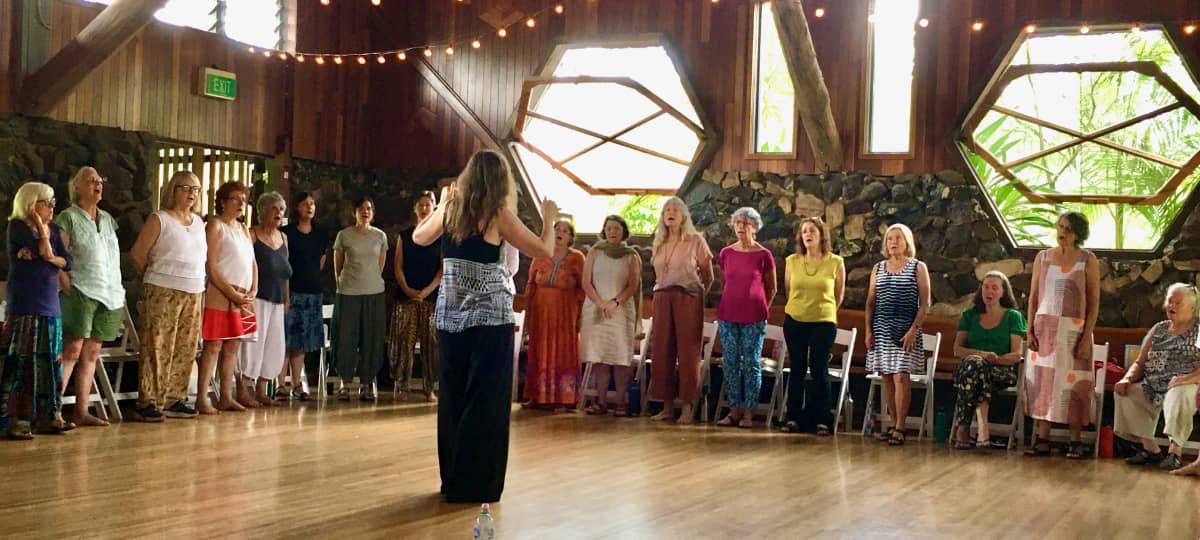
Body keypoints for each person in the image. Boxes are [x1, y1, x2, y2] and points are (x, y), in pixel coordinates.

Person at [413, 149, 559, 504]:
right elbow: (543, 249)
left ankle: (453, 480)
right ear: (500, 181)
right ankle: (476, 484)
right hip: (490, 321)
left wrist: (440, 205)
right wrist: (549, 220)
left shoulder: (450, 211)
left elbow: (420, 237)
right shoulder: (497, 215)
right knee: (486, 400)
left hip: (450, 320)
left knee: (454, 396)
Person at [129, 171, 207, 421]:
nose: (191, 193)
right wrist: (155, 279)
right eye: (185, 188)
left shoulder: (199, 223)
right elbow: (138, 254)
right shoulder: (159, 219)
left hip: (193, 290)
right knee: (158, 343)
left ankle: (175, 397)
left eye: (195, 189)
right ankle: (148, 399)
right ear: (173, 190)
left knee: (185, 346)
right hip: (162, 288)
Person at [1023, 211, 1100, 459]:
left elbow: (1093, 302)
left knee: (1073, 384)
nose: (1062, 232)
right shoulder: (1042, 257)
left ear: (1078, 233)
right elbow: (1034, 295)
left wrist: (1086, 335)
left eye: (1068, 228)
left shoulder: (1088, 260)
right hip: (1045, 328)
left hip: (1073, 330)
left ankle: (1074, 440)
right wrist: (1029, 328)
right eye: (1060, 226)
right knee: (1044, 382)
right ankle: (1042, 438)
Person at [1, 182, 73, 439]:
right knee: (22, 360)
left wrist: (51, 258)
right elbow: (45, 250)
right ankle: (15, 419)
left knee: (49, 362)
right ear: (32, 205)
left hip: (49, 305)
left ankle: (50, 415)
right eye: (48, 202)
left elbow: (67, 261)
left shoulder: (55, 230)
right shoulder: (18, 227)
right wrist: (43, 236)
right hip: (25, 304)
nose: (53, 207)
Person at [55, 167, 124, 427]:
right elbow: (56, 250)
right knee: (72, 349)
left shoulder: (108, 218)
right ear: (77, 187)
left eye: (99, 180)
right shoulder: (68, 217)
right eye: (91, 180)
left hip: (109, 291)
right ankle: (53, 410)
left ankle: (82, 411)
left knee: (93, 352)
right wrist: (63, 277)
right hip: (81, 289)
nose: (97, 184)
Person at [1114, 283, 1200, 473]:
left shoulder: (1199, 329)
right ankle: (1150, 449)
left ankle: (1174, 452)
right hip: (1153, 383)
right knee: (1126, 393)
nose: (1173, 305)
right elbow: (1140, 362)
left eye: (1179, 302)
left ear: (1193, 308)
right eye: (1170, 301)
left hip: (1187, 382)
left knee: (1179, 394)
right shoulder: (1159, 328)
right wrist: (1127, 379)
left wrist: (1184, 379)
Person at [648, 197, 714, 425]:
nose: (671, 212)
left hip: (688, 296)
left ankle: (688, 407)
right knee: (662, 351)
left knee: (688, 353)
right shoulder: (659, 242)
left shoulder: (695, 240)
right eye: (667, 209)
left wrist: (698, 294)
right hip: (662, 297)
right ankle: (666, 407)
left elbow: (708, 273)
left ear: (684, 215)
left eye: (675, 209)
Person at [864, 223, 930, 445]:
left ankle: (902, 426)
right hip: (881, 328)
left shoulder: (917, 267)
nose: (893, 242)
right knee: (886, 377)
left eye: (898, 238)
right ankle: (892, 424)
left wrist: (914, 329)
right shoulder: (878, 268)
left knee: (901, 376)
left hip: (906, 330)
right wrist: (868, 330)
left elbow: (925, 303)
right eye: (890, 238)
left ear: (907, 242)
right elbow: (871, 302)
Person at [780, 216, 845, 435]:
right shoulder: (792, 261)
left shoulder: (836, 262)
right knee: (797, 368)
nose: (807, 235)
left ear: (821, 236)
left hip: (823, 321)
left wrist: (823, 310)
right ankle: (793, 417)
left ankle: (822, 419)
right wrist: (800, 308)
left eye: (812, 231)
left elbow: (838, 295)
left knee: (819, 369)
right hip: (796, 320)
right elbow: (789, 291)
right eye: (804, 231)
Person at [198, 181, 258, 413]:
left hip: (243, 295)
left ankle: (226, 395)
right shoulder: (215, 226)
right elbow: (211, 265)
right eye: (236, 199)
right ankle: (203, 397)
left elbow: (252, 262)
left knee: (233, 346)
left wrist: (253, 290)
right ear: (223, 202)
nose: (241, 204)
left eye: (244, 200)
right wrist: (231, 292)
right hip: (221, 292)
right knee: (213, 345)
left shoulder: (243, 229)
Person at [950, 271, 1027, 450]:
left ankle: (963, 429)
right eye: (986, 287)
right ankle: (982, 430)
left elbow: (1017, 354)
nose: (989, 291)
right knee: (975, 367)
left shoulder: (1013, 316)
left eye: (994, 287)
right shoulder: (970, 315)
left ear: (1003, 292)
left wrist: (995, 359)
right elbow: (957, 349)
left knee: (975, 371)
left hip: (1001, 370)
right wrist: (982, 355)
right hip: (972, 369)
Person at [713, 207, 776, 429]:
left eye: (745, 223)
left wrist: (762, 310)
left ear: (755, 227)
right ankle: (733, 410)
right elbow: (726, 282)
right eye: (737, 223)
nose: (740, 227)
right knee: (730, 362)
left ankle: (749, 412)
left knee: (751, 363)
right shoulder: (726, 253)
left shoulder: (764, 255)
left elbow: (772, 288)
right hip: (728, 315)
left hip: (754, 317)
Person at [579, 215, 642, 417]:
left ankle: (621, 401)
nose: (612, 232)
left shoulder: (631, 255)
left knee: (619, 356)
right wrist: (600, 303)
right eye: (608, 228)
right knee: (600, 357)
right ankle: (601, 400)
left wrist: (614, 302)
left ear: (623, 231)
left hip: (621, 310)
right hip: (596, 308)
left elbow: (633, 285)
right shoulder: (595, 251)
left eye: (616, 228)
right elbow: (586, 281)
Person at [523, 220, 585, 411]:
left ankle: (564, 399)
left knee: (563, 351)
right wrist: (529, 310)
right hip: (541, 310)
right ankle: (537, 395)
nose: (560, 233)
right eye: (557, 229)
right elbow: (531, 284)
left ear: (571, 237)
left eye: (565, 231)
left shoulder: (577, 258)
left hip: (565, 312)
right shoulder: (540, 254)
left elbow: (583, 288)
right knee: (539, 350)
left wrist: (579, 315)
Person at [331, 196, 388, 401]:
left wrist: (371, 280)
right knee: (346, 338)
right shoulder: (344, 235)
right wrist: (342, 284)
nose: (366, 212)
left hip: (373, 292)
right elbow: (337, 266)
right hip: (348, 292)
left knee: (371, 338)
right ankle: (344, 384)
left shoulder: (380, 236)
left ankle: (366, 384)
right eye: (362, 208)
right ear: (354, 211)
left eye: (369, 208)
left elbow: (380, 266)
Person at [239, 192, 292, 407]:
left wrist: (287, 299)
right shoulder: (251, 235)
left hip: (278, 301)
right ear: (262, 211)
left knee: (273, 345)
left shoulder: (284, 238)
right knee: (250, 344)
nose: (279, 213)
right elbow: (243, 268)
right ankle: (242, 389)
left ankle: (262, 390)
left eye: (281, 209)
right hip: (255, 300)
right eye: (274, 208)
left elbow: (285, 272)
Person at [389, 191, 443, 402]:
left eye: (428, 204)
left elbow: (442, 269)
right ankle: (402, 387)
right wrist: (408, 289)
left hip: (431, 297)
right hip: (407, 297)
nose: (424, 208)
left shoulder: (441, 237)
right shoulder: (405, 235)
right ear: (415, 208)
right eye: (420, 204)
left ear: (435, 207)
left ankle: (429, 388)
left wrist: (427, 291)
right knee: (404, 343)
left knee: (431, 344)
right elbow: (398, 266)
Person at [279, 191, 328, 401]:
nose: (310, 207)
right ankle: (280, 383)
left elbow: (322, 260)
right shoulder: (286, 232)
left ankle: (298, 383)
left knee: (302, 342)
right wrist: (286, 295)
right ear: (297, 207)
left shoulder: (320, 233)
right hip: (292, 291)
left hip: (313, 292)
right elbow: (283, 264)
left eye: (313, 203)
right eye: (305, 203)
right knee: (286, 340)